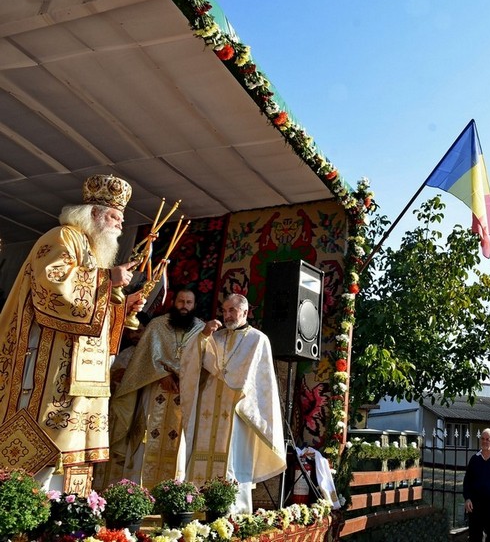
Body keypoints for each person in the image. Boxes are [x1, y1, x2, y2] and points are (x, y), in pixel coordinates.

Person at [0, 174, 144, 494]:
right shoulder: (62, 236)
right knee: (47, 448)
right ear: (92, 214)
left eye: (122, 218)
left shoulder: (90, 250)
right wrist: (106, 280)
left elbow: (96, 317)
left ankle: (67, 514)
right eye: (114, 216)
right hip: (47, 365)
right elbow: (52, 286)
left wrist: (123, 303)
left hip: (81, 376)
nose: (120, 224)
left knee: (73, 452)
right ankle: (29, 508)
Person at [178, 293, 286, 514]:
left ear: (245, 312)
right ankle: (195, 507)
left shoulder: (258, 339)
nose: (226, 315)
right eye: (224, 310)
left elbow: (259, 381)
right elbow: (191, 361)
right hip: (208, 403)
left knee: (231, 458)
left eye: (232, 311)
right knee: (201, 451)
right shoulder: (214, 337)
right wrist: (203, 336)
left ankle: (231, 511)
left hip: (237, 407)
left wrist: (231, 380)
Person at [108, 288, 204, 489]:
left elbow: (203, 363)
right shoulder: (156, 325)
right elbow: (142, 360)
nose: (184, 306)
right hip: (154, 391)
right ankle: (138, 491)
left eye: (188, 302)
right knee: (145, 437)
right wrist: (162, 375)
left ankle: (174, 491)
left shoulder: (201, 330)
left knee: (180, 441)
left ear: (194, 305)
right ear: (173, 302)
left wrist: (183, 377)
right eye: (181, 301)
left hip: (183, 394)